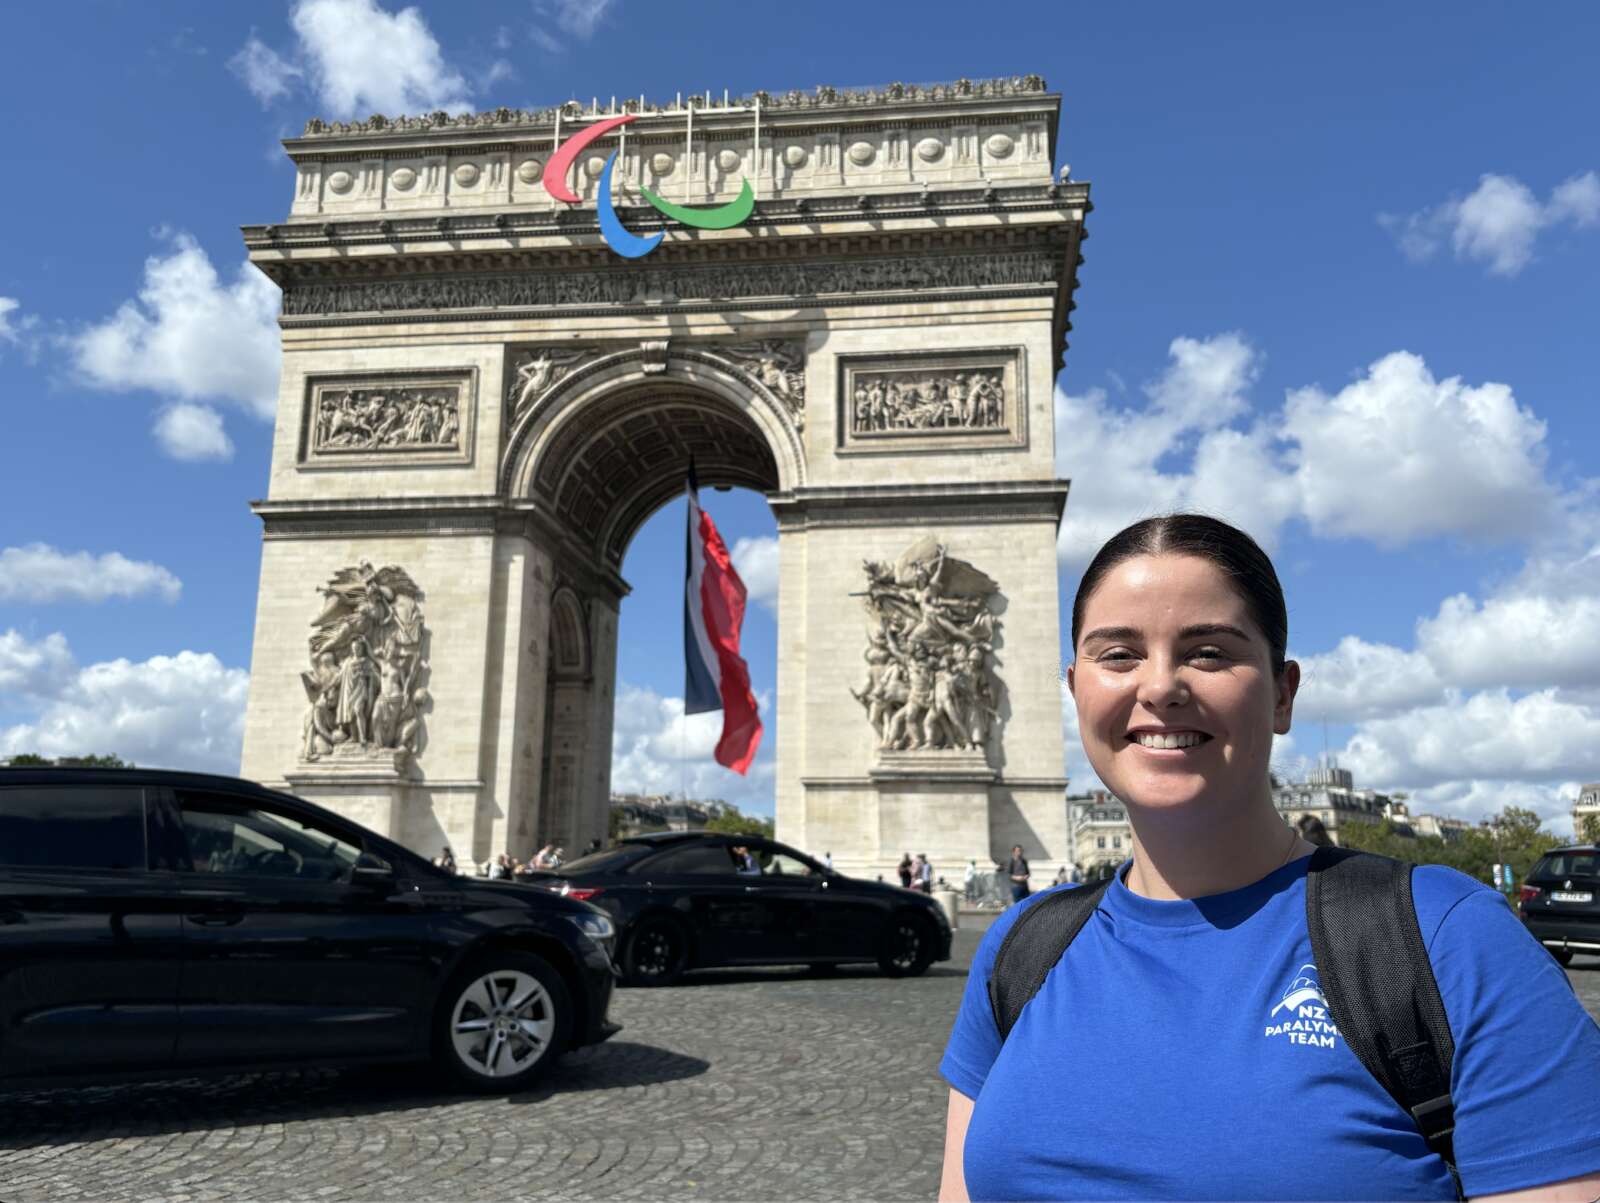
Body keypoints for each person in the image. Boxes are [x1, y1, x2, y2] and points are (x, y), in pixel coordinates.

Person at [938, 514, 1600, 1202]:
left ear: (1284, 693)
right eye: (1119, 654)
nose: (1160, 685)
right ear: (1074, 688)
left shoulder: (1454, 940)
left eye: (1209, 652)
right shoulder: (1018, 951)